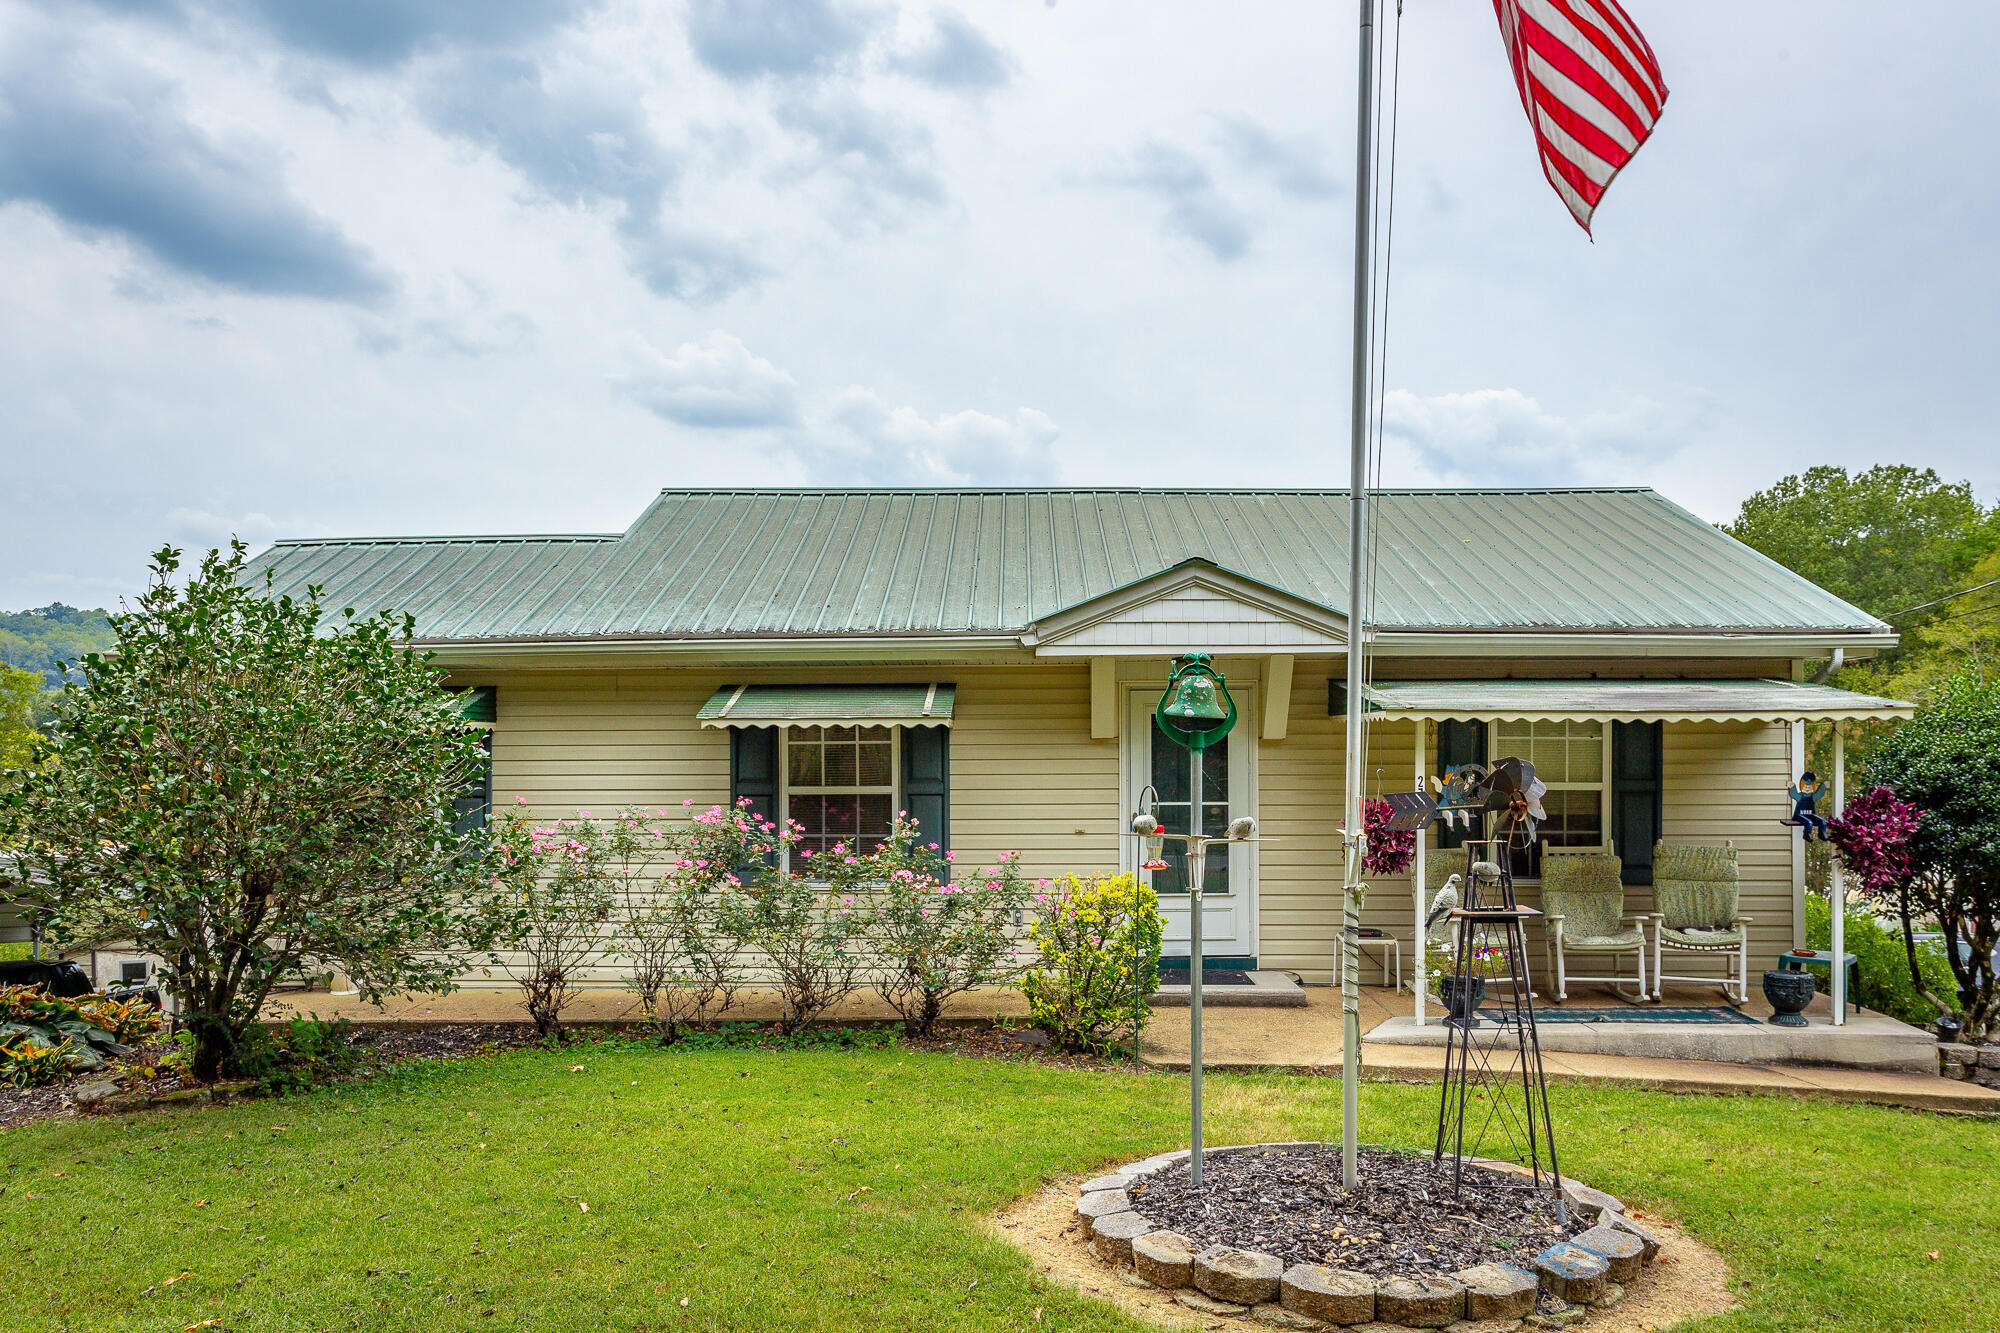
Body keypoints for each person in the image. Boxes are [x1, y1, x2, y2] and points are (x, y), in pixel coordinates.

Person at [1788, 771, 1829, 840]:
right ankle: (1807, 833)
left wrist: (1823, 786)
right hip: (1799, 815)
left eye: (1809, 786)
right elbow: (1794, 794)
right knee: (1809, 822)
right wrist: (1792, 787)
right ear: (1802, 785)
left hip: (1810, 815)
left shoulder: (1813, 797)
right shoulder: (1800, 796)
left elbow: (1819, 794)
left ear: (1813, 786)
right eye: (1805, 786)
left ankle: (1822, 833)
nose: (1807, 788)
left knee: (1822, 821)